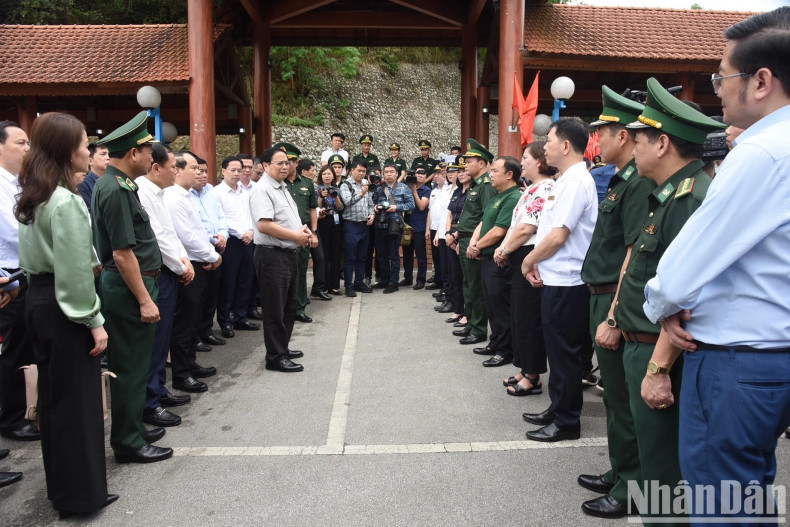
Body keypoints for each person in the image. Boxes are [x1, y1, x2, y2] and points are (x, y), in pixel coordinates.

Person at [641, 8, 790, 523]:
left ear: (762, 81)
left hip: (736, 360)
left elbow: (681, 270)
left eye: (722, 76)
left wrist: (661, 304)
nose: (717, 90)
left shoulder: (761, 153)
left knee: (726, 506)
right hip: (773, 352)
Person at [615, 78, 722, 524]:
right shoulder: (668, 196)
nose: (632, 147)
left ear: (662, 144)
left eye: (638, 139)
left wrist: (658, 368)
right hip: (642, 341)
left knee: (664, 473)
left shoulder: (689, 198)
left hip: (664, 353)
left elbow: (689, 295)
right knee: (653, 463)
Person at [14, 113, 116, 517]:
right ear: (66, 150)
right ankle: (83, 496)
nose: (88, 151)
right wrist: (94, 321)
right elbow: (75, 274)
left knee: (56, 406)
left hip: (39, 299)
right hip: (64, 305)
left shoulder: (35, 194)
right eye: (83, 143)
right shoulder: (66, 202)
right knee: (79, 405)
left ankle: (64, 490)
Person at [576, 87, 655, 519]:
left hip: (614, 299)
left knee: (624, 400)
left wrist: (612, 314)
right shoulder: (623, 180)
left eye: (602, 132)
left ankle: (631, 487)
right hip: (601, 294)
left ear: (623, 135)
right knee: (613, 399)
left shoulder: (637, 184)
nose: (597, 141)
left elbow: (631, 254)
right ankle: (620, 470)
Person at [91, 111, 173, 464]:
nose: (151, 156)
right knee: (129, 368)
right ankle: (128, 441)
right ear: (132, 154)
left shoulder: (122, 185)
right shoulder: (116, 189)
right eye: (145, 150)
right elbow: (123, 254)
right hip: (129, 290)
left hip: (136, 284)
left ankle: (133, 429)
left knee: (137, 365)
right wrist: (144, 299)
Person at [521, 117, 598, 443]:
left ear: (566, 145)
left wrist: (528, 259)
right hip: (556, 279)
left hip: (568, 282)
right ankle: (557, 408)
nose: (545, 146)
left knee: (564, 354)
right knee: (557, 351)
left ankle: (567, 421)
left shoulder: (577, 182)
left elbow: (558, 235)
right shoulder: (565, 181)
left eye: (550, 140)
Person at [135, 143, 193, 428]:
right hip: (158, 273)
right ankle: (149, 403)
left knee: (163, 338)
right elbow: (156, 238)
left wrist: (183, 258)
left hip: (169, 270)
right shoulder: (141, 193)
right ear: (155, 167)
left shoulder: (159, 193)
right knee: (154, 341)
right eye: (172, 167)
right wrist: (182, 265)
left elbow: (170, 233)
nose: (176, 172)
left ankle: (158, 390)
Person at [495, 142, 555, 393]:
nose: (522, 161)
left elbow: (528, 228)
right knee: (519, 314)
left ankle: (532, 375)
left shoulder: (546, 188)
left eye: (526, 157)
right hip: (518, 252)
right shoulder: (532, 188)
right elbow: (516, 224)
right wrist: (506, 247)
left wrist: (505, 249)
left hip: (530, 254)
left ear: (540, 161)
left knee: (529, 317)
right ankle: (524, 368)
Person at [249, 147, 312, 373]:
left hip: (289, 254)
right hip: (272, 255)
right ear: (266, 166)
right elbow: (264, 224)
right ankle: (275, 357)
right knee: (274, 308)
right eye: (280, 163)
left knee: (289, 305)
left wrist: (302, 231)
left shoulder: (283, 188)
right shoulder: (262, 190)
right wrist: (296, 236)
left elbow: (289, 219)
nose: (285, 166)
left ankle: (282, 347)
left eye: (287, 162)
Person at [0, 120, 40, 444]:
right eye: (20, 142)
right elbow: (16, 231)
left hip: (22, 278)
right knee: (11, 353)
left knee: (22, 350)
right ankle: (11, 418)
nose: (28, 149)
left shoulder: (18, 183)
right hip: (7, 282)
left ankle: (20, 412)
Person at [468, 156, 522, 368]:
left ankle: (505, 350)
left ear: (509, 175)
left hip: (498, 261)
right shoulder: (497, 196)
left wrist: (477, 246)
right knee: (491, 305)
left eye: (496, 171)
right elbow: (483, 222)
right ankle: (495, 342)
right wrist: (474, 243)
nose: (491, 174)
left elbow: (499, 231)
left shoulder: (513, 197)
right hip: (486, 258)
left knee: (500, 307)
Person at [453, 139, 495, 345]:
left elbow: (487, 217)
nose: (465, 164)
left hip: (473, 241)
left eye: (469, 161)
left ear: (482, 163)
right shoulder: (475, 185)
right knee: (468, 284)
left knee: (476, 286)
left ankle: (478, 329)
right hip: (464, 240)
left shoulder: (486, 185)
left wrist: (477, 243)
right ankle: (471, 322)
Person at [211, 156, 258, 339]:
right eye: (233, 170)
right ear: (223, 171)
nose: (237, 173)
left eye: (240, 170)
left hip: (247, 240)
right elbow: (220, 218)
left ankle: (241, 316)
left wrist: (251, 231)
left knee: (246, 280)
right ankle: (226, 320)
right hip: (230, 242)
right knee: (228, 282)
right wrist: (240, 233)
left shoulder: (246, 193)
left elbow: (251, 216)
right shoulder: (216, 193)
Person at [190, 156, 229, 347]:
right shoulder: (184, 194)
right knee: (197, 297)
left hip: (217, 246)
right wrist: (213, 239)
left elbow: (221, 217)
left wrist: (222, 235)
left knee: (212, 293)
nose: (203, 175)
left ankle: (207, 331)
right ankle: (195, 335)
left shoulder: (210, 191)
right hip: (198, 249)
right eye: (199, 170)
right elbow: (193, 227)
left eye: (205, 171)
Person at [372, 163, 415, 293]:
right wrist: (375, 208)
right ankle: (384, 280)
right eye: (386, 172)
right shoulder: (380, 188)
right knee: (381, 256)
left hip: (395, 225)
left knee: (394, 256)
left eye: (392, 172)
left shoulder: (403, 188)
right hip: (380, 224)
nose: (389, 174)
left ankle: (393, 283)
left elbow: (411, 204)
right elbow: (373, 202)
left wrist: (396, 207)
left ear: (397, 173)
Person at [339, 159, 375, 297]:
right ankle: (349, 285)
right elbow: (347, 202)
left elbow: (370, 204)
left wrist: (372, 215)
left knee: (362, 257)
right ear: (352, 170)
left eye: (364, 171)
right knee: (350, 258)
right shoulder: (346, 185)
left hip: (364, 226)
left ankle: (359, 282)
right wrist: (361, 193)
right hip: (351, 225)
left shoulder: (366, 184)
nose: (361, 174)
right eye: (359, 171)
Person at [400, 166, 431, 289]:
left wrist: (414, 192)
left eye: (423, 173)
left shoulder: (427, 190)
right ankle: (408, 278)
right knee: (407, 254)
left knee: (420, 255)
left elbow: (422, 206)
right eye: (417, 173)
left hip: (419, 227)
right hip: (407, 226)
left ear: (426, 176)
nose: (420, 175)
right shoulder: (406, 187)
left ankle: (421, 280)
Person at [316, 165, 344, 296]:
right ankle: (324, 285)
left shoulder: (337, 189)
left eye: (329, 174)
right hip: (322, 221)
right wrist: (321, 196)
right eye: (324, 174)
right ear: (321, 176)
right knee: (324, 254)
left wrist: (335, 196)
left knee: (335, 253)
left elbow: (340, 207)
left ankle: (335, 285)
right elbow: (316, 207)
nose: (327, 176)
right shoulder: (316, 189)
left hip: (336, 221)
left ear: (333, 176)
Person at [428, 166, 452, 293]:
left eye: (439, 174)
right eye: (435, 174)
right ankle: (438, 281)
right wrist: (428, 228)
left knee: (446, 261)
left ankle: (445, 286)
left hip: (445, 230)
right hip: (435, 228)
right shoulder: (434, 191)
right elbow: (430, 211)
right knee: (437, 258)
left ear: (444, 175)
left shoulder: (449, 190)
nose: (436, 176)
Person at [76, 142, 109, 213]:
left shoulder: (113, 180)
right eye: (103, 154)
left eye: (109, 154)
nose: (108, 158)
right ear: (90, 161)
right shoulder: (84, 183)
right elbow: (92, 211)